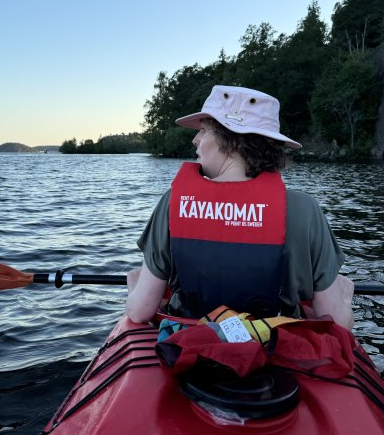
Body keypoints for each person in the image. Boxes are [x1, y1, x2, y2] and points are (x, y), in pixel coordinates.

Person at [126, 85, 354, 330]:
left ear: (233, 141)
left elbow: (140, 311)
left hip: (188, 347)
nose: (195, 139)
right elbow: (337, 323)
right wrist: (344, 296)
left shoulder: (174, 202)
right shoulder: (305, 209)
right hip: (277, 346)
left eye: (204, 131)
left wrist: (134, 286)